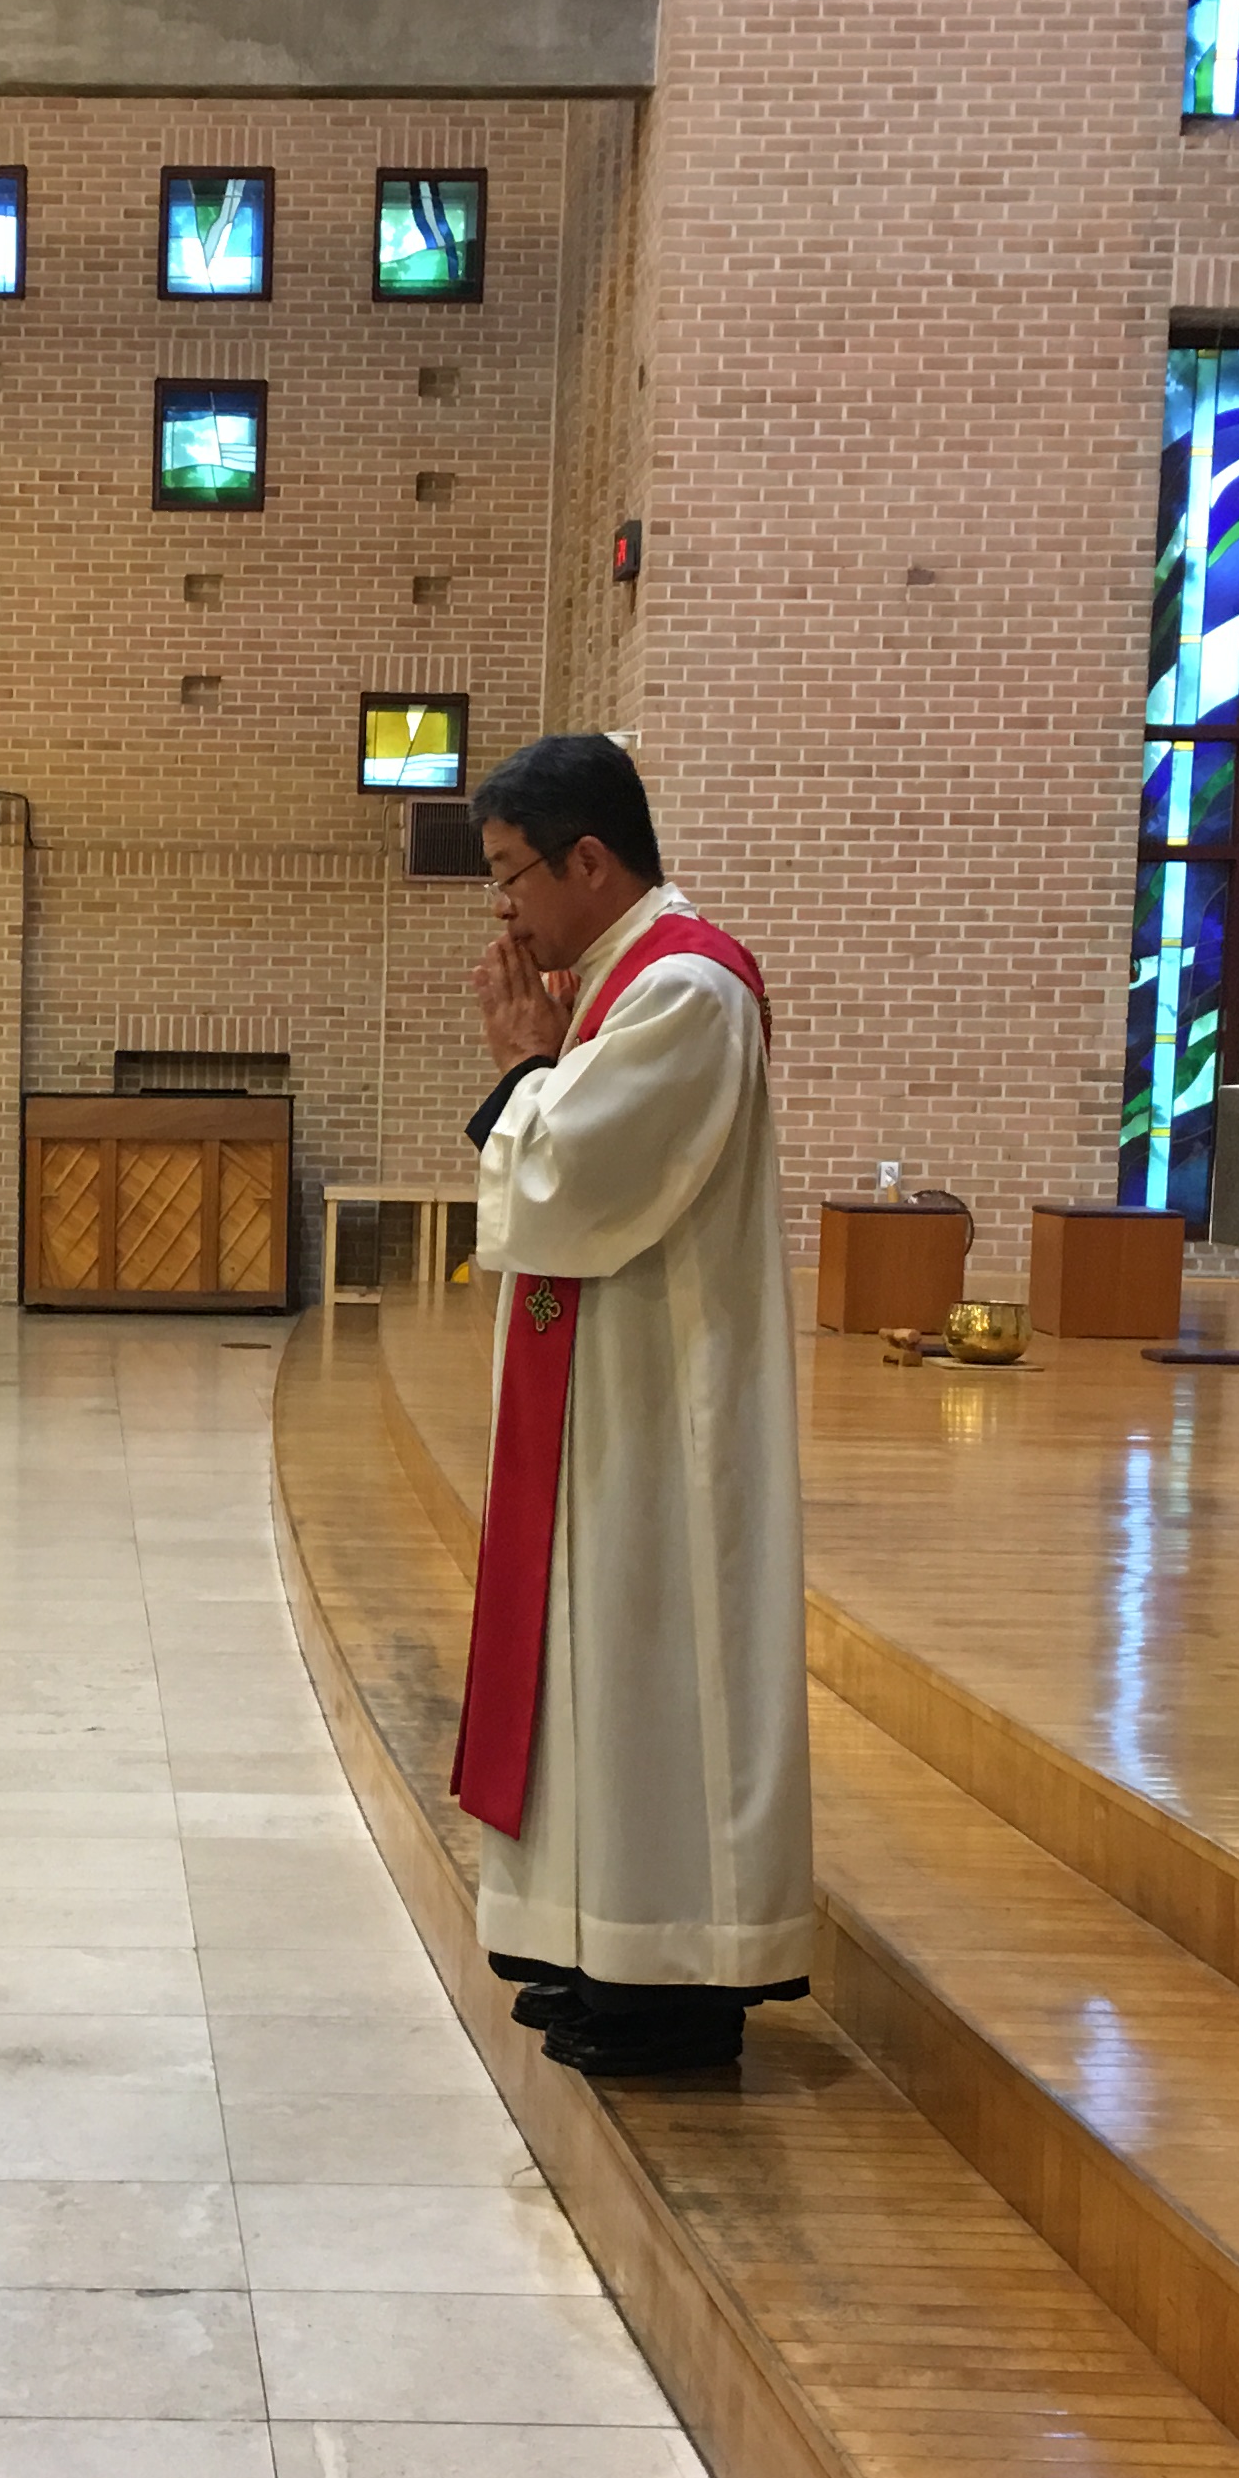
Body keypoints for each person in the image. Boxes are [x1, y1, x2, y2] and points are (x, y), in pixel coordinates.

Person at [452, 732, 812, 2074]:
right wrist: (543, 1059)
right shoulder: (615, 981)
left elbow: (568, 1181)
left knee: (657, 1679)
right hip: (602, 1403)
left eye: (511, 875)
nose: (505, 911)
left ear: (588, 860)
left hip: (669, 1417)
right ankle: (595, 1944)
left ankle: (676, 1980)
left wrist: (521, 1065)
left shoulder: (686, 988)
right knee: (589, 1678)